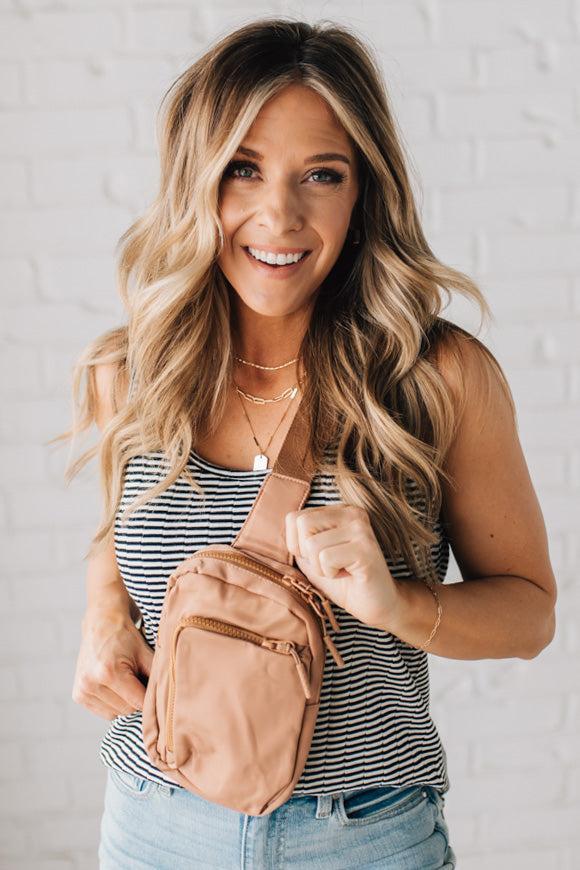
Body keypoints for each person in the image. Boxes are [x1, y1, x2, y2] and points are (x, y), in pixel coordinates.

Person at [56, 17, 557, 869]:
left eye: (320, 175)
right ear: (196, 180)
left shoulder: (434, 377)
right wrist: (103, 613)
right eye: (243, 169)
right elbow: (124, 529)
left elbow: (529, 613)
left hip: (363, 834)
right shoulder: (136, 370)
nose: (278, 215)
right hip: (153, 822)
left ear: (363, 192)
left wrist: (394, 603)